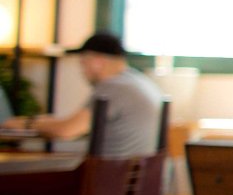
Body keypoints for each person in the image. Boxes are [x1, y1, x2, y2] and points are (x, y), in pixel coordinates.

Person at [1, 31, 163, 157]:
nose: (82, 70)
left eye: (82, 63)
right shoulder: (140, 82)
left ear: (97, 61)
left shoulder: (113, 87)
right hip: (135, 183)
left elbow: (67, 130)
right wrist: (42, 121)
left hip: (110, 182)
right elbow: (78, 124)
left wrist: (26, 124)